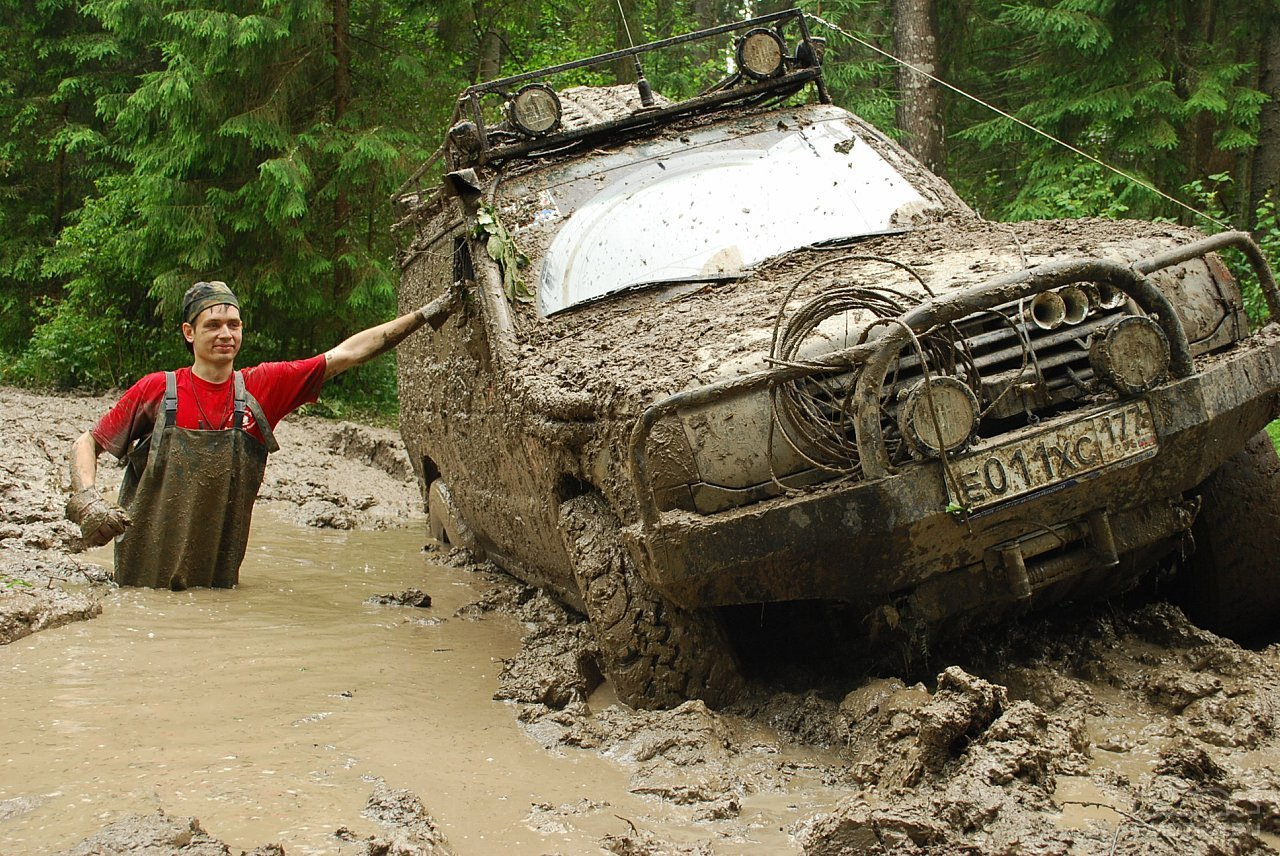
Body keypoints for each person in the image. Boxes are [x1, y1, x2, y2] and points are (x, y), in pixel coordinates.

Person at [65, 280, 456, 590]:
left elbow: (348, 353)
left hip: (217, 578)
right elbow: (88, 443)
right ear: (189, 332)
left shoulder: (262, 388)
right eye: (212, 325)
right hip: (141, 577)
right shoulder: (156, 389)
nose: (225, 334)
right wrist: (87, 499)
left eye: (233, 325)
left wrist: (424, 314)